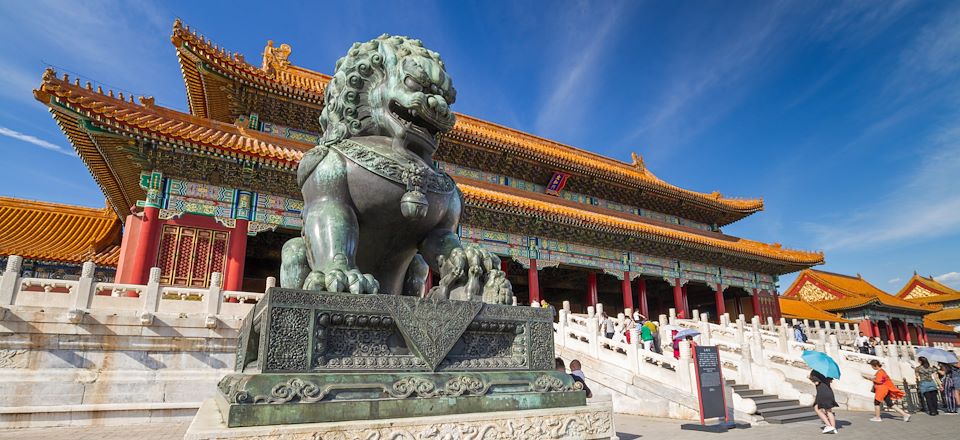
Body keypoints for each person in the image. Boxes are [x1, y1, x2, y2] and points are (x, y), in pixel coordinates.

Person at [810, 370, 839, 434]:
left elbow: (816, 382)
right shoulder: (828, 372)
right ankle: (833, 428)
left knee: (817, 409)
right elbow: (830, 381)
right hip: (829, 392)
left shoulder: (815, 371)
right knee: (829, 411)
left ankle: (829, 425)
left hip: (822, 393)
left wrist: (810, 377)